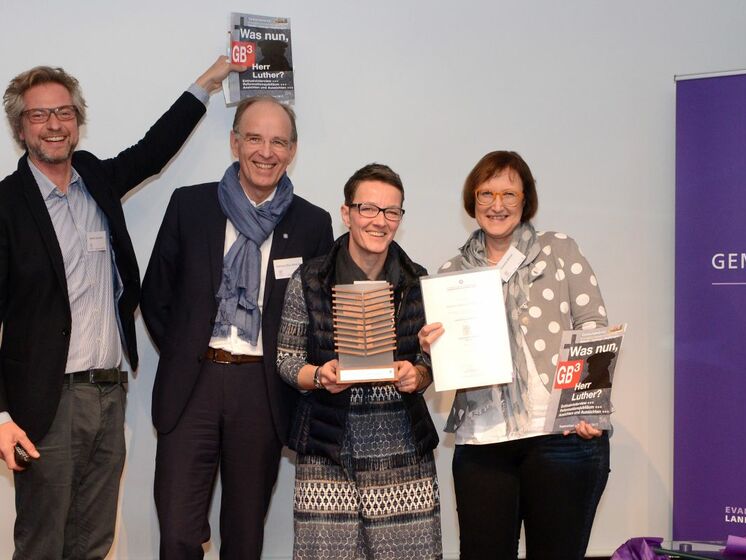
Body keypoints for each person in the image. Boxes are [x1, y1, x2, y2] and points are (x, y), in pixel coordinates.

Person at [0, 56, 240, 560]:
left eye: (64, 112)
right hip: (46, 402)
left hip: (110, 393)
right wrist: (1, 415)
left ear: (78, 121)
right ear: (21, 126)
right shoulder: (6, 206)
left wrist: (208, 82)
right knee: (43, 544)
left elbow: (153, 151)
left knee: (93, 542)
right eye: (40, 115)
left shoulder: (94, 179)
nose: (54, 125)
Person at [140, 95, 333, 559]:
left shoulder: (311, 223)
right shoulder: (191, 206)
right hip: (193, 384)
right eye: (254, 138)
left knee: (245, 536)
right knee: (179, 534)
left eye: (278, 141)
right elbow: (155, 295)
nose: (265, 151)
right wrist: (188, 349)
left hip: (262, 391)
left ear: (292, 150)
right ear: (234, 143)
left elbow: (319, 314)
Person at [418, 150, 610, 560]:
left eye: (509, 193)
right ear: (472, 201)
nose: (497, 204)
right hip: (483, 442)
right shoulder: (452, 274)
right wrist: (433, 349)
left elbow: (591, 326)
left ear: (526, 200)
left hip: (560, 437)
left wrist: (586, 406)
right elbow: (448, 362)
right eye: (486, 193)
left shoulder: (558, 250)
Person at [277, 163, 442, 559]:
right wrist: (318, 375)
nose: (380, 221)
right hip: (328, 446)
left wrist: (418, 374)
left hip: (401, 445)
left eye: (391, 211)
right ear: (346, 213)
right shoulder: (310, 278)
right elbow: (286, 359)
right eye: (368, 209)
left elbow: (429, 361)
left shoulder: (418, 280)